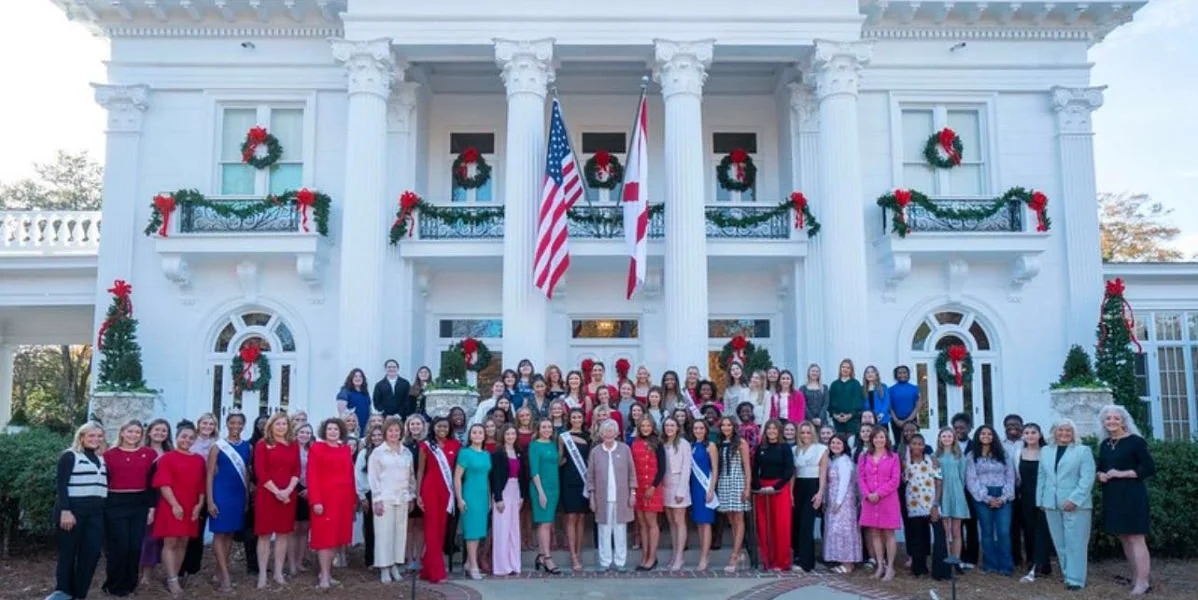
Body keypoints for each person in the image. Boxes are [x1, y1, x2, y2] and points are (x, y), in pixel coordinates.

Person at [1097, 404, 1155, 596]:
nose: (1111, 421)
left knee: (1136, 537)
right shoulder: (1104, 444)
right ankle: (1135, 576)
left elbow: (1148, 468)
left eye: (1116, 418)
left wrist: (1122, 474)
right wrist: (1100, 475)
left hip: (1132, 494)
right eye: (1108, 419)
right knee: (1123, 537)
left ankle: (1143, 582)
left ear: (1123, 421)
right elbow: (1101, 466)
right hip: (1112, 495)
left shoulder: (1135, 442)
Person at [49, 423, 108, 600]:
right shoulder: (70, 456)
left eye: (99, 436)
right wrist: (65, 511)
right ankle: (63, 592)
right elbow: (61, 485)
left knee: (91, 553)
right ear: (81, 437)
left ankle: (79, 594)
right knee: (68, 554)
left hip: (96, 514)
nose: (95, 439)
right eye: (91, 435)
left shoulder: (101, 458)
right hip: (73, 512)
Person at [1034, 418, 1094, 591]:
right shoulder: (1045, 450)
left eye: (1068, 430)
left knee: (1075, 542)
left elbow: (1087, 478)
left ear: (1074, 433)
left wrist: (1075, 499)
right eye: (1060, 430)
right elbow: (1042, 476)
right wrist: (1041, 500)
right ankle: (1068, 574)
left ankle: (1076, 579)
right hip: (1050, 502)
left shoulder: (1083, 451)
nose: (1064, 434)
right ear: (1054, 432)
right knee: (1060, 542)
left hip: (1076, 504)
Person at [152, 421, 207, 598]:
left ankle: (174, 574)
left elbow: (201, 485)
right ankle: (172, 579)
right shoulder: (168, 458)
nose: (187, 440)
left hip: (191, 506)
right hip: (172, 505)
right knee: (171, 542)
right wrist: (175, 504)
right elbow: (163, 483)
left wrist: (199, 506)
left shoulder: (198, 459)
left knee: (184, 541)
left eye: (191, 438)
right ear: (176, 437)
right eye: (184, 436)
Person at [101, 420, 155, 598]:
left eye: (138, 432)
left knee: (134, 547)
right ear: (122, 433)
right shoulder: (108, 455)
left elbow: (152, 484)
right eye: (130, 431)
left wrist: (151, 508)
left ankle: (130, 584)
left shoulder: (149, 454)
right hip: (115, 503)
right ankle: (114, 584)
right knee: (120, 546)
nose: (134, 435)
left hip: (139, 503)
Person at [253, 412, 300, 589]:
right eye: (278, 424)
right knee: (264, 535)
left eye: (284, 424)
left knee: (283, 534)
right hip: (267, 494)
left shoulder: (293, 444)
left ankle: (279, 572)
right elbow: (260, 471)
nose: (281, 427)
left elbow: (297, 470)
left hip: (288, 496)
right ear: (271, 426)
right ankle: (263, 574)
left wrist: (287, 490)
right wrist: (277, 492)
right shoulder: (262, 444)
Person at [307, 418, 355, 589]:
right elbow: (312, 477)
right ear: (324, 431)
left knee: (336, 538)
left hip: (343, 500)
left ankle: (327, 573)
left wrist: (352, 500)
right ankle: (324, 577)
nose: (333, 432)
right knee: (324, 538)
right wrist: (316, 501)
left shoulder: (345, 449)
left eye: (336, 429)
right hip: (325, 500)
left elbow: (350, 475)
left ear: (340, 431)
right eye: (329, 429)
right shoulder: (317, 448)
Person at [206, 412, 251, 593]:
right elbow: (209, 475)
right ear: (227, 424)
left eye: (239, 423)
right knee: (219, 533)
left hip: (238, 494)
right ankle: (225, 576)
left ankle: (219, 570)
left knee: (230, 534)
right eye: (232, 422)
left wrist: (247, 497)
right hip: (220, 493)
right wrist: (210, 500)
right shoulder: (217, 447)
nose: (236, 426)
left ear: (243, 425)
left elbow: (247, 472)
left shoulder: (248, 447)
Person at [368, 417, 415, 582]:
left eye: (397, 430)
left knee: (399, 533)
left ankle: (395, 565)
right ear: (385, 433)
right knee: (384, 534)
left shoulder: (406, 452)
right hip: (385, 498)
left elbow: (411, 477)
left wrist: (410, 496)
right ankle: (384, 568)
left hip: (401, 498)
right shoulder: (378, 452)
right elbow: (373, 477)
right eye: (391, 431)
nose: (394, 433)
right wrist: (377, 499)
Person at [587, 418, 637, 572]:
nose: (608, 434)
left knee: (620, 529)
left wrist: (632, 492)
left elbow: (632, 473)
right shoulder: (595, 451)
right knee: (604, 530)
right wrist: (592, 496)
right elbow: (590, 477)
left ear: (616, 433)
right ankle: (605, 562)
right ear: (601, 434)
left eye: (611, 431)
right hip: (602, 498)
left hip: (621, 497)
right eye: (605, 431)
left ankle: (620, 562)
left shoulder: (624, 449)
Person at [965, 424, 1016, 576]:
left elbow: (1010, 476)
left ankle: (1006, 565)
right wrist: (986, 498)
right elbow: (971, 479)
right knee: (987, 531)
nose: (986, 436)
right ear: (978, 436)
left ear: (994, 436)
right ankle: (990, 564)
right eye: (983, 434)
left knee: (1003, 531)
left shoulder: (1003, 454)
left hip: (1002, 495)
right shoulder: (971, 455)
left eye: (989, 434)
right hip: (982, 496)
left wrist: (1003, 497)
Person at [417, 417, 461, 583]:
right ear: (433, 427)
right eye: (439, 426)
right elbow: (420, 471)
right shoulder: (426, 446)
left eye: (445, 426)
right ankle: (437, 572)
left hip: (447, 491)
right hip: (430, 490)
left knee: (441, 530)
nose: (442, 428)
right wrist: (418, 493)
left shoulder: (455, 445)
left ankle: (427, 569)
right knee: (431, 529)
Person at [752, 419, 795, 572]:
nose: (771, 431)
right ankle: (767, 559)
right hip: (762, 490)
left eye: (774, 429)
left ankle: (781, 562)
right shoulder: (760, 448)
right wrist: (758, 486)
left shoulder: (785, 448)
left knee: (781, 525)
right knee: (764, 525)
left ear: (779, 431)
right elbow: (754, 469)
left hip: (779, 489)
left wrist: (775, 486)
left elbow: (789, 470)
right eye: (769, 429)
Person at [859, 428, 902, 581]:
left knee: (888, 533)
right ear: (871, 440)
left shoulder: (894, 457)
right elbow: (861, 478)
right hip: (869, 501)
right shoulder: (864, 457)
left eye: (882, 437)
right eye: (876, 437)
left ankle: (890, 568)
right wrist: (867, 494)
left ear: (886, 439)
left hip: (887, 500)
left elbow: (895, 480)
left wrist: (879, 493)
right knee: (875, 533)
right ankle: (880, 566)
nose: (879, 440)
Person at [179, 413, 218, 580]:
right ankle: (180, 566)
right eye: (204, 423)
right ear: (198, 424)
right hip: (190, 488)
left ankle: (193, 567)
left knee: (199, 529)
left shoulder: (218, 444)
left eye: (211, 424)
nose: (207, 426)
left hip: (210, 487)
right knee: (186, 528)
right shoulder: (190, 440)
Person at [455, 424, 492, 580]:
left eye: (480, 432)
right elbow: (457, 477)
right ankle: (473, 565)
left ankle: (469, 564)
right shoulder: (465, 453)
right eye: (474, 432)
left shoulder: (486, 454)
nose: (477, 435)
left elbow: (487, 478)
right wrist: (459, 499)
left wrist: (489, 498)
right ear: (470, 436)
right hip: (470, 494)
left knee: (478, 533)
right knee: (471, 533)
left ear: (484, 435)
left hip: (483, 496)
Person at [903, 433, 943, 578]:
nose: (917, 447)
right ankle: (919, 569)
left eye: (920, 444)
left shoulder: (931, 461)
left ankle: (940, 570)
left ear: (924, 446)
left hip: (931, 504)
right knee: (918, 537)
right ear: (909, 445)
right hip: (914, 505)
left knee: (939, 537)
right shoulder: (906, 462)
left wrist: (936, 504)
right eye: (914, 443)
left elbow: (938, 482)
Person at [715, 416, 752, 572]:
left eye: (729, 425)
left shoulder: (741, 443)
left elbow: (747, 467)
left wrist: (747, 487)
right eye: (723, 425)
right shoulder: (719, 444)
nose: (726, 428)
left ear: (734, 427)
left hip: (738, 481)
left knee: (739, 517)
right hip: (724, 481)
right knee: (731, 519)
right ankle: (739, 550)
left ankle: (735, 555)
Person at [138, 419, 173, 586]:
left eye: (164, 431)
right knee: (146, 536)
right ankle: (141, 572)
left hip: (165, 497)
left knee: (158, 537)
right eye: (157, 430)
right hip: (144, 498)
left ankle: (151, 572)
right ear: (149, 432)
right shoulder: (141, 451)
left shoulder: (170, 453)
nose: (160, 433)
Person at [1017, 423, 1052, 583]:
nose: (1030, 435)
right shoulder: (1019, 453)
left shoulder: (1047, 452)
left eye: (1033, 432)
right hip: (1025, 498)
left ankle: (1041, 565)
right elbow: (1017, 477)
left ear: (1039, 434)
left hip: (1043, 497)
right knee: (1029, 531)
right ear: (1023, 436)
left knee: (1042, 531)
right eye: (1027, 433)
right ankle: (1031, 561)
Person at [792, 420, 828, 573]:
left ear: (813, 433)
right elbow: (793, 474)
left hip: (813, 486)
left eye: (808, 432)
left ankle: (807, 563)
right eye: (802, 432)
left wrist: (820, 493)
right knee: (798, 523)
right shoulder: (795, 449)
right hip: (798, 487)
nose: (805, 435)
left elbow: (823, 472)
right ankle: (798, 556)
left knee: (807, 524)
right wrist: (790, 494)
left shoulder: (821, 449)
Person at [491, 424, 527, 576]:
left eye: (513, 434)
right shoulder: (498, 454)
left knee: (513, 530)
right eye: (508, 434)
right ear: (502, 436)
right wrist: (498, 498)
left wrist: (522, 496)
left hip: (516, 490)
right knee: (502, 529)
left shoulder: (519, 452)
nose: (511, 437)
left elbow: (524, 476)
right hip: (503, 492)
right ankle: (501, 566)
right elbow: (495, 477)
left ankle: (514, 564)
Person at [630, 416, 666, 571]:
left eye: (648, 425)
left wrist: (653, 486)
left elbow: (662, 468)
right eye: (643, 425)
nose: (645, 428)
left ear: (652, 427)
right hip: (638, 487)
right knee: (642, 523)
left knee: (652, 523)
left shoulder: (658, 443)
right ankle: (644, 556)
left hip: (652, 487)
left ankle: (652, 557)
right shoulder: (634, 443)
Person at [823, 433, 861, 573]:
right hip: (833, 498)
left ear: (844, 446)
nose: (835, 445)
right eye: (833, 443)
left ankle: (848, 563)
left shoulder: (845, 461)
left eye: (839, 443)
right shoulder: (834, 460)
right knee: (835, 530)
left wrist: (839, 501)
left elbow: (844, 483)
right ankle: (841, 560)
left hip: (843, 501)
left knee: (844, 530)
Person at [528, 418, 562, 573]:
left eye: (549, 427)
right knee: (545, 522)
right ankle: (547, 558)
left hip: (554, 486)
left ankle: (541, 556)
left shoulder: (552, 444)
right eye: (544, 427)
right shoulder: (534, 445)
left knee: (546, 522)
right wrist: (541, 492)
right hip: (540, 488)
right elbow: (534, 470)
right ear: (539, 429)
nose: (547, 429)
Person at [557, 408, 590, 571]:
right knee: (571, 517)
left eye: (579, 416)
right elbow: (560, 459)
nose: (576, 419)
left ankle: (579, 551)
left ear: (583, 419)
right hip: (568, 479)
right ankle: (573, 555)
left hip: (584, 481)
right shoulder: (564, 437)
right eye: (574, 417)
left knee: (581, 517)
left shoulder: (589, 436)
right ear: (569, 419)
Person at [933, 426, 970, 568]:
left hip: (957, 493)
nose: (946, 439)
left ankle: (956, 560)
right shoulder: (935, 457)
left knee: (956, 530)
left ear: (953, 438)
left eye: (949, 436)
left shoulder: (959, 457)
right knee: (945, 530)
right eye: (944, 436)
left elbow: (962, 477)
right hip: (943, 493)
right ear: (940, 439)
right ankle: (947, 559)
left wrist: (959, 490)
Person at [658, 417, 691, 571]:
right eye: (667, 425)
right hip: (666, 484)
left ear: (678, 427)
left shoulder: (684, 444)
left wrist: (681, 490)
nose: (669, 428)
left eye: (672, 425)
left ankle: (680, 557)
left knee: (679, 521)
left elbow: (686, 468)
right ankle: (674, 554)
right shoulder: (662, 444)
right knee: (671, 522)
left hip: (679, 484)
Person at [688, 419, 719, 571]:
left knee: (706, 522)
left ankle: (705, 557)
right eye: (695, 428)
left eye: (701, 428)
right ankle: (703, 552)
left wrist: (711, 489)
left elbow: (715, 469)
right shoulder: (692, 446)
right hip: (694, 487)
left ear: (706, 430)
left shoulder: (710, 446)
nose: (698, 430)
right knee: (699, 522)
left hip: (705, 487)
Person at [951, 412, 979, 568]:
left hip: (971, 491)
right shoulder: (948, 445)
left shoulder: (975, 445)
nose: (959, 430)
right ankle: (959, 555)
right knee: (957, 526)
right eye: (956, 428)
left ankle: (972, 558)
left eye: (962, 427)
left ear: (969, 428)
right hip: (955, 491)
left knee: (972, 524)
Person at [355, 425, 384, 569]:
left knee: (384, 529)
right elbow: (358, 476)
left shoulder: (388, 453)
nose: (377, 438)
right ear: (369, 437)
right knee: (370, 528)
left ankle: (383, 559)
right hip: (369, 493)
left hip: (386, 494)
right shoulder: (364, 453)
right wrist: (362, 496)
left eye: (380, 435)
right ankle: (370, 560)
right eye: (374, 435)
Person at [401, 415, 427, 567]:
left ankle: (419, 557)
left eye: (418, 424)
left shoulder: (427, 444)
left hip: (423, 487)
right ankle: (409, 557)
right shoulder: (404, 445)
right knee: (409, 525)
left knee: (421, 524)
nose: (415, 427)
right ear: (408, 426)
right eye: (412, 424)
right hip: (407, 487)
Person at [1002, 413, 1026, 568]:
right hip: (1008, 490)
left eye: (1016, 425)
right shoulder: (1000, 444)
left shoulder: (1027, 443)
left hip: (1026, 489)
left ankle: (1032, 558)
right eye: (1009, 425)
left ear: (1021, 426)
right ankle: (1015, 557)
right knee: (1012, 526)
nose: (1012, 428)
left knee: (1029, 525)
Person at [289, 423, 313, 577]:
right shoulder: (290, 449)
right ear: (296, 433)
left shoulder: (312, 450)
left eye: (308, 433)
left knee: (305, 528)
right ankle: (291, 564)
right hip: (292, 491)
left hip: (308, 490)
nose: (305, 435)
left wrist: (310, 488)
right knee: (293, 529)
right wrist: (296, 488)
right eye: (302, 432)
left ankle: (299, 561)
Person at [828, 359, 863, 434]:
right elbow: (831, 401)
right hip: (837, 420)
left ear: (851, 370)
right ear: (840, 369)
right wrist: (835, 415)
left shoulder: (855, 384)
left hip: (852, 420)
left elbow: (857, 402)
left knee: (851, 442)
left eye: (848, 368)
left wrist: (849, 415)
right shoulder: (834, 384)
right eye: (843, 367)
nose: (845, 369)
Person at [888, 366, 921, 443]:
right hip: (896, 421)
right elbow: (889, 407)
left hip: (912, 420)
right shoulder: (890, 390)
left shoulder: (915, 388)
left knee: (913, 442)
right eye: (899, 373)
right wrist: (896, 420)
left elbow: (918, 405)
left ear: (908, 374)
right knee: (898, 442)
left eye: (904, 372)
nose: (902, 375)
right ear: (896, 375)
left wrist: (909, 420)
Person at [336, 368, 372, 435]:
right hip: (352, 429)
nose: (358, 378)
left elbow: (369, 410)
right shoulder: (345, 392)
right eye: (355, 376)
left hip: (364, 427)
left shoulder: (365, 393)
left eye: (360, 376)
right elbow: (342, 414)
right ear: (351, 378)